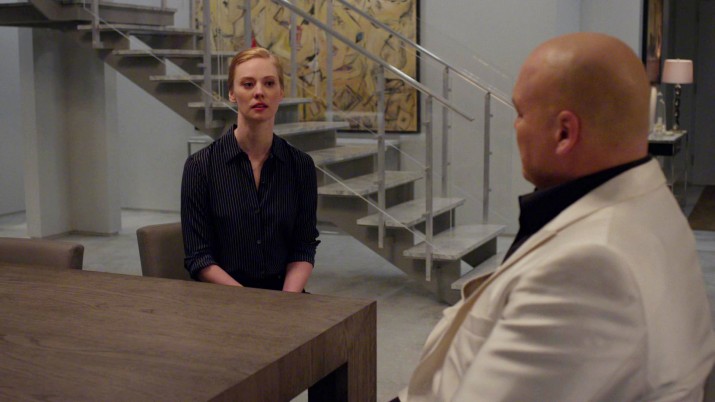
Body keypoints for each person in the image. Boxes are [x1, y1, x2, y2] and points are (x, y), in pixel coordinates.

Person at [398, 33, 715, 401]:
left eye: (520, 113)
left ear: (564, 132)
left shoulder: (593, 267)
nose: (515, 126)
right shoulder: (653, 202)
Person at [181, 47, 320, 292]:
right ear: (232, 93)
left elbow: (303, 246)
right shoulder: (200, 167)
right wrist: (251, 303)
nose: (259, 92)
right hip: (224, 298)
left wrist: (285, 300)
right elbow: (199, 257)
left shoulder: (301, 166)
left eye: (269, 83)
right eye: (248, 84)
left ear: (281, 92)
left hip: (285, 298)